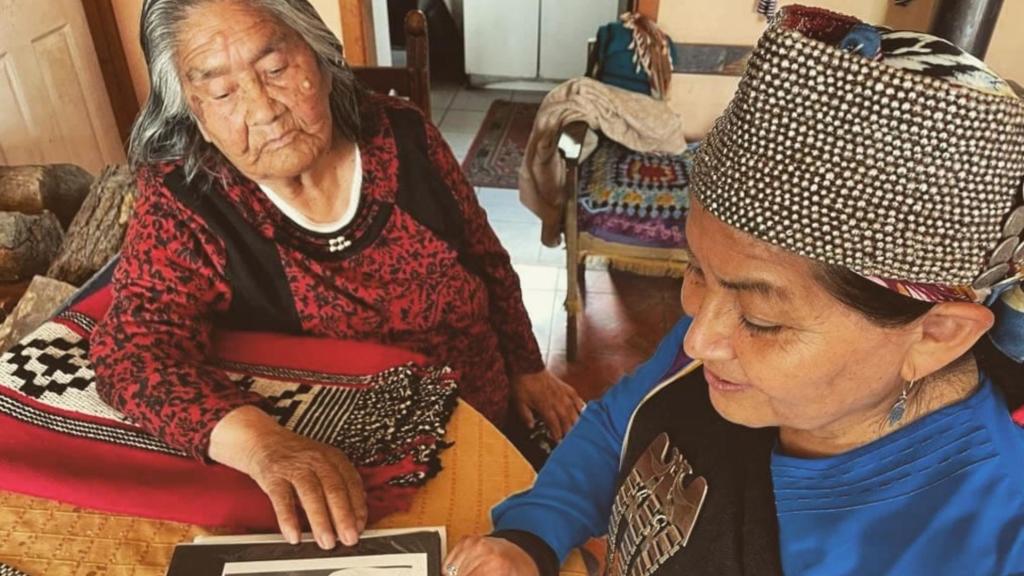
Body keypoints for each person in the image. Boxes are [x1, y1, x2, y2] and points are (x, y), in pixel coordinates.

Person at [444, 5, 1024, 575]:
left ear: (936, 334)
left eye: (762, 317)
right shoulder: (723, 342)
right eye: (695, 270)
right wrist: (533, 535)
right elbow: (619, 424)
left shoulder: (981, 544)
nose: (698, 339)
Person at [89, 0, 584, 552]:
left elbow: (486, 259)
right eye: (223, 92)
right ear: (196, 115)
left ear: (322, 59)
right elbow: (132, 351)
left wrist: (526, 366)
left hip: (481, 421)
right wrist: (262, 446)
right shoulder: (188, 200)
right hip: (338, 482)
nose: (263, 110)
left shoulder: (405, 136)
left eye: (275, 70)